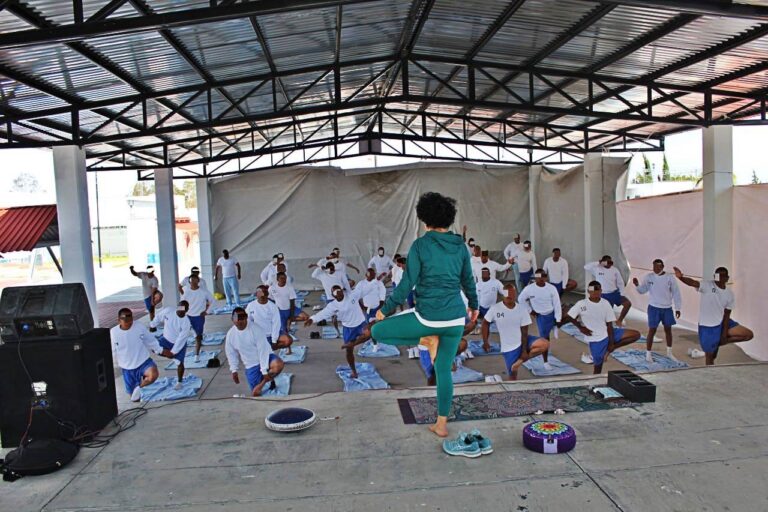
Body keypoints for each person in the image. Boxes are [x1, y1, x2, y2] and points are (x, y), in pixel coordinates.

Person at [371, 192, 479, 439]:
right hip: (455, 319)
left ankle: (427, 339)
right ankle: (441, 424)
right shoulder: (461, 246)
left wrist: (385, 309)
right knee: (443, 369)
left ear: (424, 219)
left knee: (377, 331)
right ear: (449, 218)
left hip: (428, 318)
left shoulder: (420, 245)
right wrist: (474, 306)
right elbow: (468, 281)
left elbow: (406, 284)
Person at [674, 266, 753, 366]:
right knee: (711, 359)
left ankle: (716, 342)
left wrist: (724, 335)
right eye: (717, 275)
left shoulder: (729, 294)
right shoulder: (707, 285)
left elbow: (727, 314)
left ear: (727, 278)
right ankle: (712, 355)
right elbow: (693, 282)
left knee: (748, 335)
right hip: (707, 327)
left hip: (722, 321)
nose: (718, 278)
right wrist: (681, 278)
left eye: (722, 276)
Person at [559, 281, 641, 374]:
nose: (595, 292)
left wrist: (611, 345)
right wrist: (581, 328)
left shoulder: (605, 303)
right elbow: (570, 316)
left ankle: (608, 350)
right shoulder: (581, 304)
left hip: (608, 333)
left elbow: (609, 325)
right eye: (592, 290)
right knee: (597, 368)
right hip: (595, 339)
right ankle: (596, 379)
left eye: (597, 290)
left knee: (636, 335)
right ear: (588, 291)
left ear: (601, 291)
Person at [481, 283, 549, 381]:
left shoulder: (522, 309)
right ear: (503, 294)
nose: (509, 296)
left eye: (512, 293)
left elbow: (524, 331)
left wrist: (524, 352)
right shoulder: (495, 309)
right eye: (506, 294)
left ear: (515, 294)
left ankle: (520, 361)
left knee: (544, 344)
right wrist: (485, 341)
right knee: (512, 377)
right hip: (508, 347)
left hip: (522, 340)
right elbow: (485, 323)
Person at [302, 285, 371, 378]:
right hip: (348, 328)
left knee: (369, 333)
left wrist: (379, 281)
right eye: (335, 292)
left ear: (342, 291)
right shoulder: (333, 305)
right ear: (333, 295)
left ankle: (353, 344)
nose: (337, 293)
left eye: (339, 290)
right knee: (349, 351)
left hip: (360, 324)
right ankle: (354, 371)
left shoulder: (352, 295)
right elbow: (323, 313)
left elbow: (366, 289)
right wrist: (312, 319)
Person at [110, 308, 168, 401]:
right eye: (126, 321)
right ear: (119, 320)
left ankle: (139, 387)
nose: (129, 323)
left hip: (143, 361)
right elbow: (112, 350)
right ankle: (136, 393)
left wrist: (160, 350)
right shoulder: (113, 332)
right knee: (134, 398)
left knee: (153, 375)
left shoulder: (139, 326)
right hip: (127, 367)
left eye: (130, 320)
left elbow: (150, 340)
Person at [225, 307, 285, 397]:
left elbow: (263, 351)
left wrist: (264, 371)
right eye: (237, 318)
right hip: (250, 365)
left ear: (246, 317)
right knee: (256, 394)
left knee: (278, 365)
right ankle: (268, 380)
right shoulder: (230, 335)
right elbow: (231, 353)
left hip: (266, 358)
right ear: (232, 320)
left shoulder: (256, 329)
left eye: (242, 318)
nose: (240, 321)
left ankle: (266, 381)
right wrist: (234, 370)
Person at [633, 259, 683, 362]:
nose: (655, 269)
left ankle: (669, 353)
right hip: (653, 307)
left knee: (668, 330)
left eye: (657, 267)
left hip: (667, 308)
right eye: (654, 266)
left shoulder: (670, 277)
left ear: (662, 267)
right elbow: (642, 290)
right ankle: (648, 354)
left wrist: (678, 308)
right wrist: (637, 285)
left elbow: (676, 293)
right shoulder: (649, 277)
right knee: (652, 330)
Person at [518, 269, 561, 369]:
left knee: (568, 315)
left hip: (551, 312)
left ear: (546, 277)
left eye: (543, 276)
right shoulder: (529, 289)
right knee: (545, 339)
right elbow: (520, 299)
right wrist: (530, 310)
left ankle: (555, 325)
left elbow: (557, 304)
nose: (541, 279)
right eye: (539, 277)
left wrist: (558, 319)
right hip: (541, 316)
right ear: (535, 278)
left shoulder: (551, 288)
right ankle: (545, 362)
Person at [150, 300, 194, 389]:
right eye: (180, 307)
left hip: (178, 343)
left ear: (187, 310)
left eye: (183, 309)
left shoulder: (186, 322)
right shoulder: (169, 310)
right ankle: (169, 355)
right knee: (153, 347)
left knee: (180, 363)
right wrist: (152, 325)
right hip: (165, 339)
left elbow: (181, 339)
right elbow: (158, 317)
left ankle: (179, 382)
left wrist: (173, 352)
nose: (181, 310)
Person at [584, 255, 631, 326]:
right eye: (607, 262)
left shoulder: (615, 269)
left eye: (610, 262)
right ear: (603, 262)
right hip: (602, 294)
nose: (609, 264)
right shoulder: (597, 268)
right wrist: (598, 262)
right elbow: (586, 267)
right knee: (605, 314)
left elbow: (620, 282)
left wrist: (622, 293)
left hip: (613, 293)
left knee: (627, 304)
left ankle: (619, 321)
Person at [181, 275, 214, 361]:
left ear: (198, 281)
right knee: (183, 335)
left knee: (198, 337)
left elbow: (213, 301)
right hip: (188, 316)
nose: (193, 282)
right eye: (191, 281)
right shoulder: (186, 291)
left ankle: (197, 354)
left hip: (199, 317)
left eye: (195, 280)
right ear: (189, 282)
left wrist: (207, 312)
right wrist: (180, 315)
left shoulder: (204, 292)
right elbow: (182, 303)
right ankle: (180, 353)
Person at [129, 264, 159, 330]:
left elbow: (154, 291)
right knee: (151, 311)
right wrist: (131, 269)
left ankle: (153, 326)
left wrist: (152, 300)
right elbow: (135, 274)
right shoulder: (143, 275)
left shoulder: (154, 280)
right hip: (146, 296)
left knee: (151, 311)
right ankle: (153, 324)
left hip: (152, 295)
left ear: (153, 271)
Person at [268, 272, 298, 336]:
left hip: (288, 309)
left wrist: (291, 315)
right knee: (283, 329)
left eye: (285, 278)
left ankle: (287, 326)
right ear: (277, 279)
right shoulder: (272, 288)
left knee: (304, 317)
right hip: (279, 311)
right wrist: (274, 307)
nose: (283, 280)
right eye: (281, 278)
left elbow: (292, 302)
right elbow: (269, 299)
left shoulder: (290, 288)